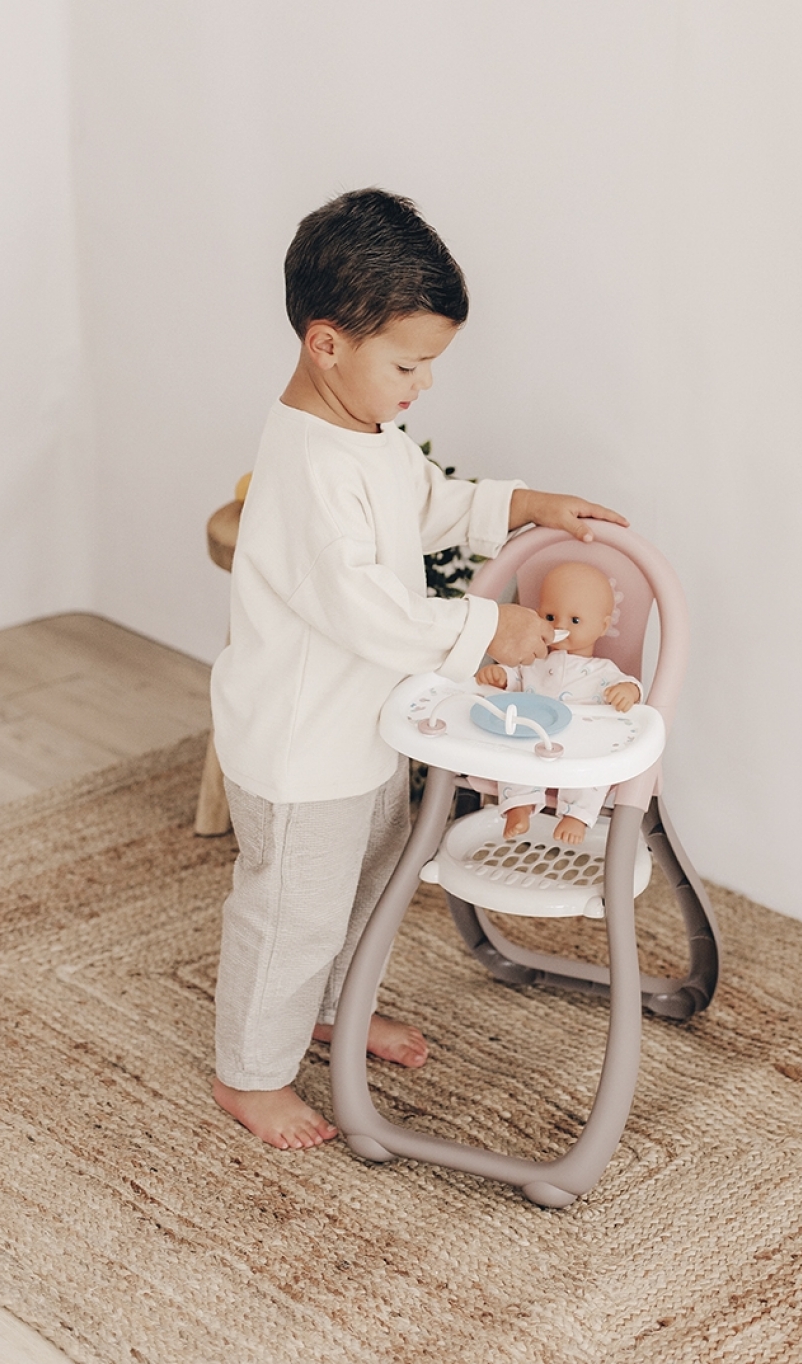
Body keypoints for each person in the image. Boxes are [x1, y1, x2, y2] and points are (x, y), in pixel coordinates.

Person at [208, 188, 626, 1150]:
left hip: (364, 733)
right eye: (407, 365)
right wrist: (485, 631)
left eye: (431, 363)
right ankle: (251, 1073)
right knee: (293, 914)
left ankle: (330, 1012)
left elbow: (428, 502)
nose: (424, 384)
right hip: (301, 749)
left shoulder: (365, 436)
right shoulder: (309, 470)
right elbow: (363, 607)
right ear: (326, 345)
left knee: (367, 886)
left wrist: (522, 504)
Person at [476, 561, 642, 845]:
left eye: (575, 621)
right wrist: (500, 676)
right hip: (532, 738)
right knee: (512, 759)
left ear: (603, 626)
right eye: (550, 616)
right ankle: (518, 807)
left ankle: (577, 816)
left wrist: (628, 691)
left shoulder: (602, 669)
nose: (561, 626)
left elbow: (631, 685)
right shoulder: (534, 660)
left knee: (593, 772)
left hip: (581, 746)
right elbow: (515, 678)